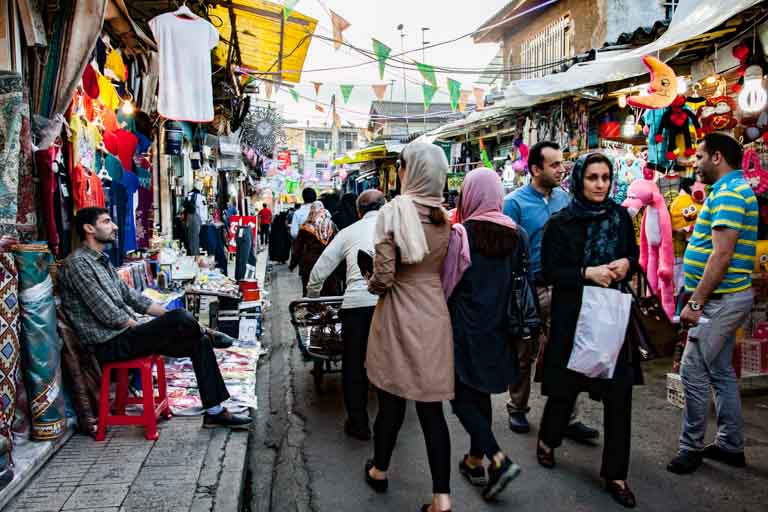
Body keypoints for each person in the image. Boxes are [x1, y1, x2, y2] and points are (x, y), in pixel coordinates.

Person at [58, 207, 251, 430]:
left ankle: (214, 412)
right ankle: (204, 329)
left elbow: (133, 298)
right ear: (89, 229)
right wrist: (151, 327)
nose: (115, 226)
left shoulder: (102, 261)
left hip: (126, 335)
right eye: (107, 221)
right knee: (179, 317)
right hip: (109, 343)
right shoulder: (78, 264)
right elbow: (108, 314)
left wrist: (161, 320)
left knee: (198, 341)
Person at [537, 153, 642, 508]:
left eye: (605, 177)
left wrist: (627, 263)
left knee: (619, 396)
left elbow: (635, 255)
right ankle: (548, 441)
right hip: (574, 319)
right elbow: (549, 271)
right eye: (592, 177)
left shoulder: (619, 218)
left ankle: (615, 473)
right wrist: (586, 273)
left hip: (613, 319)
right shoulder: (561, 223)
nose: (600, 184)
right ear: (580, 180)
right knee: (566, 389)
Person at [364, 143, 453, 512]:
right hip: (433, 312)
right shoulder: (444, 217)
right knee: (432, 410)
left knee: (392, 402)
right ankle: (442, 498)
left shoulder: (392, 213)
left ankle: (380, 470)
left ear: (407, 171)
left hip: (399, 312)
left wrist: (370, 280)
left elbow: (384, 277)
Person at [667, 133, 756, 475]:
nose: (694, 163)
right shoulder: (725, 191)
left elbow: (722, 255)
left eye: (700, 156)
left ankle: (690, 447)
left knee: (692, 370)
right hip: (724, 299)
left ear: (717, 157)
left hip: (720, 300)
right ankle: (730, 444)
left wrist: (696, 301)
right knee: (719, 371)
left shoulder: (731, 193)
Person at [502, 140, 598, 440]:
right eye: (554, 164)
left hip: (564, 286)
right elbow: (507, 250)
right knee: (524, 351)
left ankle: (569, 416)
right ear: (535, 169)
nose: (562, 168)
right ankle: (517, 408)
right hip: (528, 289)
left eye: (562, 163)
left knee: (567, 350)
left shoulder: (566, 200)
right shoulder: (514, 203)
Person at [442, 168, 526, 501]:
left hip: (465, 326)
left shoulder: (461, 233)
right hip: (500, 327)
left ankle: (497, 457)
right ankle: (476, 462)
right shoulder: (517, 234)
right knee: (480, 394)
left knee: (459, 396)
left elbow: (447, 284)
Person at [307, 190, 385, 441]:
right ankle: (389, 421)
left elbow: (319, 271)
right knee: (389, 365)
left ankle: (359, 424)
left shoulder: (348, 232)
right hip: (389, 306)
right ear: (385, 206)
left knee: (353, 367)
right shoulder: (397, 229)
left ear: (359, 211)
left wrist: (313, 299)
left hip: (355, 307)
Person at [289, 201, 340, 296]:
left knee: (310, 288)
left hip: (310, 262)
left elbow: (297, 248)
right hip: (328, 261)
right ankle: (329, 307)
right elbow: (338, 243)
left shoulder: (305, 227)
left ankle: (312, 308)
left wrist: (293, 263)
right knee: (329, 287)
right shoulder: (331, 225)